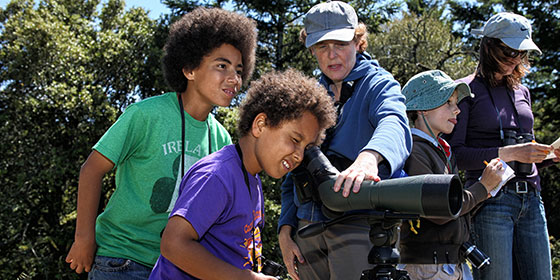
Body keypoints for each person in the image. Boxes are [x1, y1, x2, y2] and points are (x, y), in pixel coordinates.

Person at [65, 7, 257, 279]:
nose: (234, 78)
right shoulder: (145, 115)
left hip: (177, 269)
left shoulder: (222, 139)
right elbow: (91, 170)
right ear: (190, 69)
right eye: (221, 66)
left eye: (238, 70)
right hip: (122, 260)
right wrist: (84, 238)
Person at [148, 69, 337, 280]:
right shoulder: (217, 175)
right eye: (294, 140)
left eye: (307, 147)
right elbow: (173, 244)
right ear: (260, 125)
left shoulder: (251, 179)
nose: (299, 156)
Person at [277, 2, 412, 279]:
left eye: (340, 43)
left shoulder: (379, 84)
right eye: (322, 46)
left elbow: (394, 123)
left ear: (358, 41)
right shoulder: (309, 96)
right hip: (307, 229)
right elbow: (293, 165)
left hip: (359, 224)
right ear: (312, 49)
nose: (332, 55)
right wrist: (285, 230)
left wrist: (370, 157)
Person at [445, 12, 560, 280]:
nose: (515, 59)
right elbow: (456, 156)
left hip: (532, 198)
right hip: (491, 200)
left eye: (521, 52)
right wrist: (508, 154)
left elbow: (526, 153)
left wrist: (550, 156)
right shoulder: (463, 90)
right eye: (509, 51)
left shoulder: (523, 91)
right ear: (488, 46)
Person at [398, 70, 504, 280]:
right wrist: (482, 187)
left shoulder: (442, 150)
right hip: (428, 268)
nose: (457, 110)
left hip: (447, 265)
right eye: (448, 102)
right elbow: (440, 211)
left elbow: (455, 211)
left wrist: (488, 189)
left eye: (456, 103)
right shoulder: (414, 151)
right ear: (422, 109)